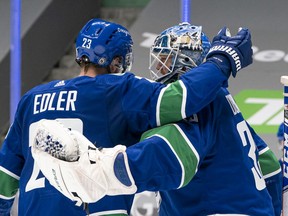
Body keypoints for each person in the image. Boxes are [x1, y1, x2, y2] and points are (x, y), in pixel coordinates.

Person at [0, 18, 251, 215]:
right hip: (97, 209)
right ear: (117, 61)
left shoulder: (31, 99)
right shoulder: (119, 88)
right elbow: (178, 100)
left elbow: (5, 175)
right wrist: (221, 61)